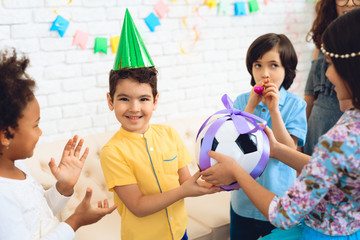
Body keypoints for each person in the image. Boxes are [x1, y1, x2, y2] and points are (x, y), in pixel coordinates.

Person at [202, 8, 360, 239]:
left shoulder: (331, 129)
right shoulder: (349, 118)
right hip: (244, 206)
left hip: (283, 207)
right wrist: (270, 144)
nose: (327, 75)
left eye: (330, 64)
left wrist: (236, 169)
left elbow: (284, 213)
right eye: (257, 65)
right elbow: (330, 168)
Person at [100, 9, 218, 240]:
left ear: (155, 101)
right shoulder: (112, 152)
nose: (134, 108)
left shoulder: (169, 134)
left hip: (179, 232)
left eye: (143, 99)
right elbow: (138, 206)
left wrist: (220, 179)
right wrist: (184, 191)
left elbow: (187, 181)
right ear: (110, 101)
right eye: (124, 99)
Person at [0, 48, 117, 240]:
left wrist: (63, 187)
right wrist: (75, 221)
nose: (40, 132)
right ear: (6, 135)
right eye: (35, 125)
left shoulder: (17, 166)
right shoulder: (2, 197)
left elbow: (38, 218)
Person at [228, 33, 307, 239]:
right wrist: (251, 106)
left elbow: (289, 151)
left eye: (273, 65)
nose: (265, 73)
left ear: (286, 70)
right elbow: (234, 144)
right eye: (257, 65)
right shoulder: (242, 101)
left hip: (278, 202)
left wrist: (274, 111)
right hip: (242, 203)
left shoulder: (296, 105)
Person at [303, 0, 359, 155]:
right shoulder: (323, 39)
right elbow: (310, 93)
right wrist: (300, 136)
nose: (349, 4)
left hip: (344, 128)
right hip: (316, 124)